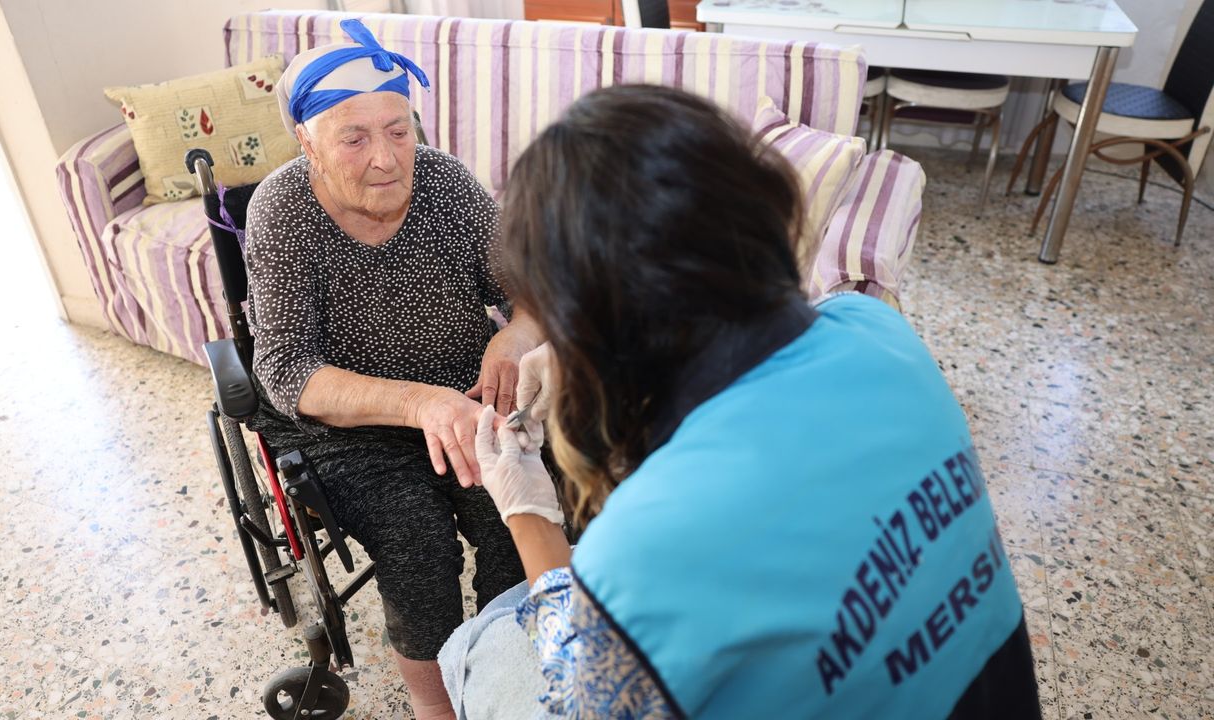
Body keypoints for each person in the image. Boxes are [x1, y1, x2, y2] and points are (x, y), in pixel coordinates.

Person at [445, 85, 1042, 718]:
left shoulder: (655, 536)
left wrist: (530, 516)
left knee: (486, 646)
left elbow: (582, 693)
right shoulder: (878, 329)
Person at [244, 20, 542, 719]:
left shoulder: (446, 183)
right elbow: (287, 369)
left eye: (399, 131)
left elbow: (531, 291)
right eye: (354, 138)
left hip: (466, 397)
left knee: (519, 509)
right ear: (306, 142)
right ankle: (438, 709)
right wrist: (417, 404)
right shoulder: (282, 211)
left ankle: (505, 674)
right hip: (347, 430)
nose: (386, 159)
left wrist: (514, 337)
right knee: (418, 544)